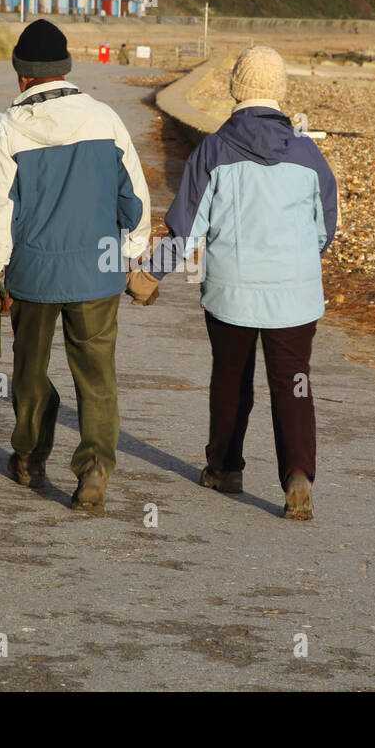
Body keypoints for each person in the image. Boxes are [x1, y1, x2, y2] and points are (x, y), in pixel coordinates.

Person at [126, 46, 337, 520]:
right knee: (294, 383)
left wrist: (147, 275)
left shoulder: (214, 150)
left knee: (231, 378)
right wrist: (298, 264)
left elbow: (185, 229)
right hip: (295, 295)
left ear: (235, 89)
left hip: (231, 291)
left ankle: (225, 468)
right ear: (280, 91)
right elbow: (325, 228)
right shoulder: (308, 153)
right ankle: (298, 475)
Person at [0, 20, 152, 514]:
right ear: (65, 70)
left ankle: (30, 459)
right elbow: (134, 200)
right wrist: (134, 253)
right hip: (97, 274)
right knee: (96, 375)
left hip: (33, 274)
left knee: (30, 369)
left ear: (23, 75)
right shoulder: (106, 120)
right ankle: (94, 467)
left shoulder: (6, 128)